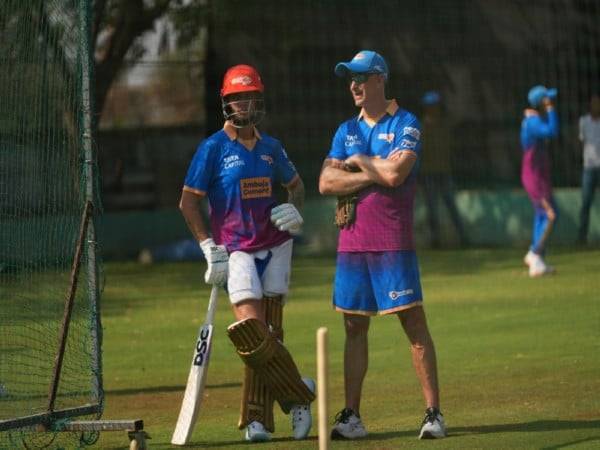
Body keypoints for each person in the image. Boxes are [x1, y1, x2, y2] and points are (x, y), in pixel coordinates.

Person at [179, 64, 315, 443]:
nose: (244, 103)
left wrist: (296, 210)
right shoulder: (212, 149)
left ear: (259, 99)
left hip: (278, 245)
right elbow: (188, 203)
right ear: (226, 102)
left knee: (272, 333)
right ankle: (300, 395)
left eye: (250, 96)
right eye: (237, 97)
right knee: (253, 335)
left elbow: (297, 186)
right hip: (236, 250)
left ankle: (256, 420)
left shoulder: (272, 147)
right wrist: (208, 247)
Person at [318, 50, 446, 440]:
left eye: (359, 77)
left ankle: (433, 414)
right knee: (354, 327)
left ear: (379, 79)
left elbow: (397, 174)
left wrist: (357, 161)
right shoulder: (345, 129)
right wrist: (372, 168)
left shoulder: (405, 122)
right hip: (352, 244)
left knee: (413, 323)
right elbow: (326, 182)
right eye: (349, 79)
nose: (353, 85)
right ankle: (352, 416)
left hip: (393, 243)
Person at [419, 91, 468, 248]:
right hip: (429, 172)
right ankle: (436, 241)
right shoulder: (421, 127)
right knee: (432, 208)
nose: (435, 109)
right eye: (433, 106)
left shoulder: (445, 124)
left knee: (451, 206)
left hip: (444, 171)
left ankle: (463, 238)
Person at [520, 85, 559, 277]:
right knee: (550, 215)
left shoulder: (533, 119)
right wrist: (551, 109)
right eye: (546, 100)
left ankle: (537, 261)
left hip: (539, 176)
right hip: (534, 178)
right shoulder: (533, 122)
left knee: (541, 216)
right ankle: (534, 254)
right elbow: (552, 131)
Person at [577, 94, 600, 244]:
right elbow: (581, 141)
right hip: (588, 167)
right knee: (585, 202)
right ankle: (582, 238)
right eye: (594, 103)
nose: (596, 106)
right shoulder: (583, 121)